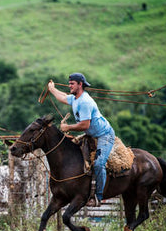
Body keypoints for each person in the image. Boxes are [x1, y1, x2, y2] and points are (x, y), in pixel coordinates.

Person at [47, 73, 115, 207]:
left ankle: (98, 196)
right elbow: (63, 97)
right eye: (69, 83)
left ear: (80, 84)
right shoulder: (75, 98)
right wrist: (52, 89)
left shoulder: (84, 102)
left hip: (104, 135)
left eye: (72, 83)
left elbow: (85, 125)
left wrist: (68, 127)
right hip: (91, 134)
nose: (69, 85)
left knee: (99, 164)